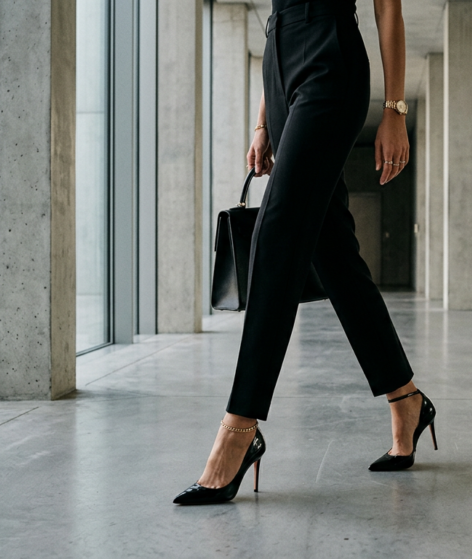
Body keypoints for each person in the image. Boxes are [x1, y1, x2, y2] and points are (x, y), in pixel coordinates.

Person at [173, 0, 437, 505]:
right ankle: (406, 397)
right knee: (332, 255)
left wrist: (394, 109)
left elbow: (388, 8)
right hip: (279, 60)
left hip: (331, 60)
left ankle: (239, 426)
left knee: (277, 234)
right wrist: (262, 121)